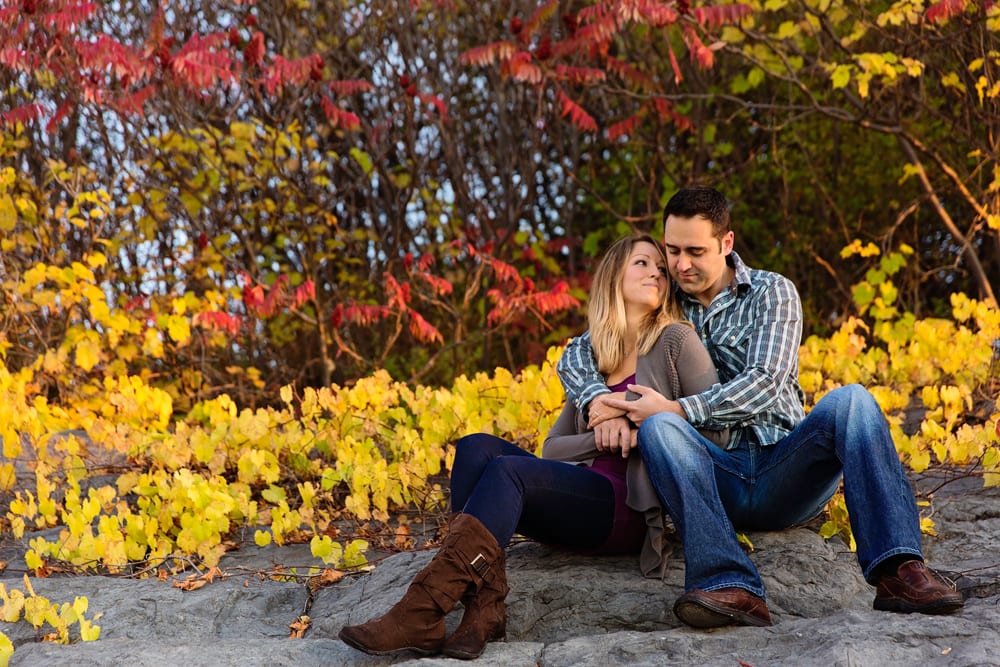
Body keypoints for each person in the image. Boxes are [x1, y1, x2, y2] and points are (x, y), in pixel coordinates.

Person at [557, 185, 964, 629]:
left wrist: (678, 409)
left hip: (784, 466)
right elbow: (582, 347)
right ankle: (730, 583)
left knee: (853, 401)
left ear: (726, 243)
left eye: (695, 251)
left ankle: (898, 571)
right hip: (712, 471)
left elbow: (766, 383)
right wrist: (598, 398)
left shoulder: (772, 292)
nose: (680, 264)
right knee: (658, 431)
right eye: (672, 250)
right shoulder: (665, 297)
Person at [338, 234, 725, 659]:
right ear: (614, 277)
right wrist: (601, 431)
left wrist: (637, 434)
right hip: (579, 496)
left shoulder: (676, 341)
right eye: (643, 263)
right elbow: (553, 449)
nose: (658, 271)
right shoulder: (595, 359)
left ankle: (421, 610)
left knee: (508, 472)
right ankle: (483, 610)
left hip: (628, 509)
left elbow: (715, 433)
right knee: (475, 448)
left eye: (660, 267)